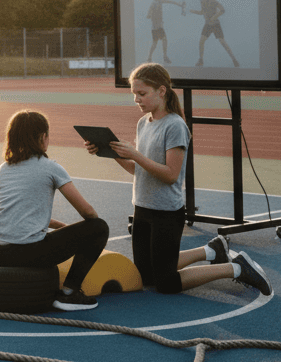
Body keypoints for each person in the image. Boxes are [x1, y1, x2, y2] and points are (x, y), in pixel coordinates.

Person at [84, 62, 269, 296]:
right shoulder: (144, 123)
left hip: (165, 213)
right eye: (134, 95)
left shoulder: (175, 126)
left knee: (167, 283)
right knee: (146, 276)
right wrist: (112, 154)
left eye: (142, 94)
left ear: (161, 91)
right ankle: (210, 250)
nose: (136, 100)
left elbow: (171, 176)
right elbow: (138, 170)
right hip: (142, 208)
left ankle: (235, 268)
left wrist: (135, 154)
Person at [0, 111, 109, 311]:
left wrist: (61, 227)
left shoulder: (3, 169)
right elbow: (88, 213)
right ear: (43, 137)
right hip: (27, 253)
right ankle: (70, 293)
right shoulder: (50, 167)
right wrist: (82, 234)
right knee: (99, 228)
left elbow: (17, 211)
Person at [190, 0, 240, 68]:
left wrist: (214, 17)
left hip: (215, 24)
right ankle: (201, 60)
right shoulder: (201, 1)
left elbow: (222, 10)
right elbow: (202, 12)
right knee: (201, 41)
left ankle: (234, 60)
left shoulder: (212, 1)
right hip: (207, 25)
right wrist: (193, 11)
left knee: (222, 42)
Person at [145, 0, 184, 64]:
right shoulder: (153, 4)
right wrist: (149, 15)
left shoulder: (160, 1)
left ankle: (164, 57)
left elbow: (170, 2)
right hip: (155, 28)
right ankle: (149, 57)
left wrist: (179, 4)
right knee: (155, 44)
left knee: (164, 40)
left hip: (160, 27)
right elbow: (148, 14)